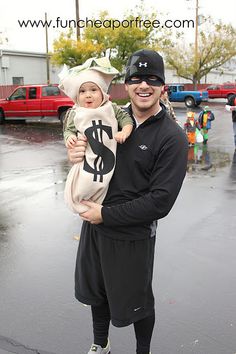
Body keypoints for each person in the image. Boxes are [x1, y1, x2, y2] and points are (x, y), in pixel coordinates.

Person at [66, 49, 188, 354]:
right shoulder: (107, 117)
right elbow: (87, 155)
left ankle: (142, 350)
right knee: (97, 291)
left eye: (151, 79)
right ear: (126, 85)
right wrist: (74, 155)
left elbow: (160, 202)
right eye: (136, 79)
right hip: (95, 226)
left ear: (162, 86)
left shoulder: (172, 136)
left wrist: (105, 214)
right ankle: (100, 344)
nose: (143, 85)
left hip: (131, 235)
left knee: (138, 304)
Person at [59, 57, 133, 213]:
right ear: (77, 96)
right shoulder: (76, 113)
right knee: (86, 181)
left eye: (93, 90)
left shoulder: (111, 108)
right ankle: (82, 201)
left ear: (103, 93)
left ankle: (98, 204)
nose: (88, 95)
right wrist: (69, 138)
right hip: (88, 158)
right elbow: (69, 130)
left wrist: (124, 131)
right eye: (82, 91)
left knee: (103, 180)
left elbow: (126, 119)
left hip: (107, 158)